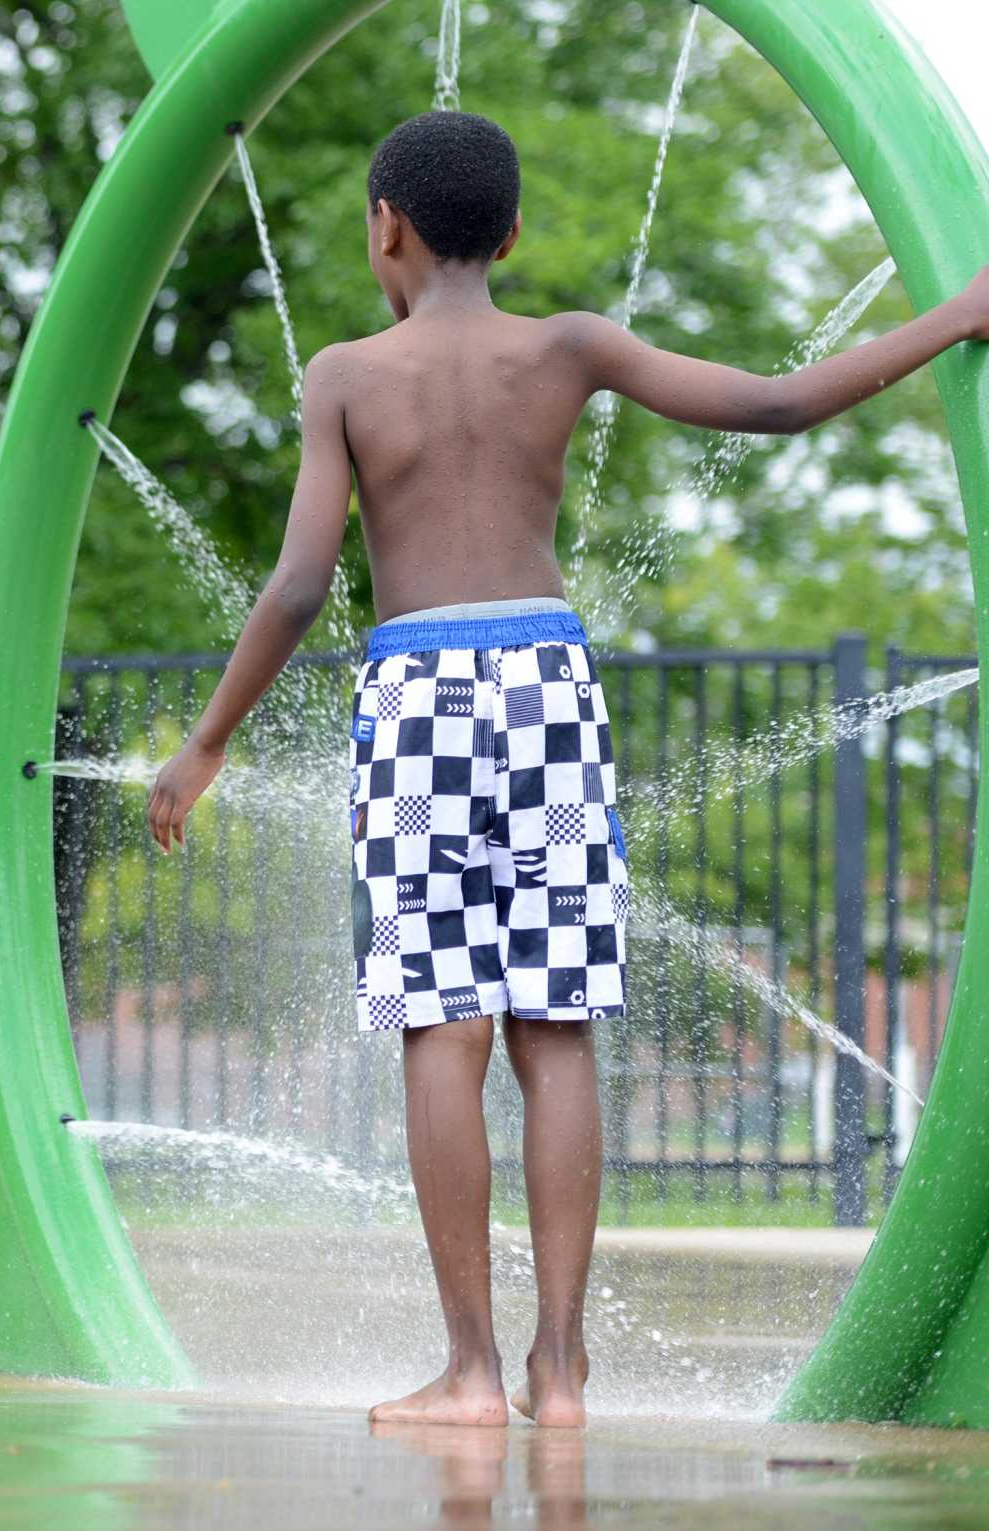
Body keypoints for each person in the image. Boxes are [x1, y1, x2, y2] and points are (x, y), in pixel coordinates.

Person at [146, 110, 989, 1428]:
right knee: (557, 1024)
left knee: (444, 1019)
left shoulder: (347, 376)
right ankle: (561, 1364)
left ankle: (471, 1368)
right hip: (547, 685)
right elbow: (772, 402)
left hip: (418, 693)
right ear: (516, 230)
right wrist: (955, 316)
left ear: (387, 227)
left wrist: (204, 743)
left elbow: (303, 580)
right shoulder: (572, 345)